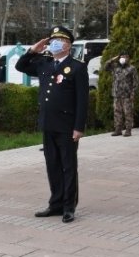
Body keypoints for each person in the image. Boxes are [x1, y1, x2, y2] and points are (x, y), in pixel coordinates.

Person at [15, 26, 88, 223]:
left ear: (68, 45)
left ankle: (68, 206)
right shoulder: (45, 64)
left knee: (68, 166)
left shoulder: (77, 67)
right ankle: (55, 204)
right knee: (52, 165)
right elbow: (20, 67)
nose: (55, 42)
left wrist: (79, 127)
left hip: (67, 126)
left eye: (60, 39)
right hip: (48, 124)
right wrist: (32, 51)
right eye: (52, 39)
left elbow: (82, 100)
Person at [103, 50, 139, 136]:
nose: (123, 58)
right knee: (117, 112)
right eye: (122, 57)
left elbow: (135, 82)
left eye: (125, 57)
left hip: (127, 95)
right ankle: (118, 130)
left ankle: (128, 130)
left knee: (128, 113)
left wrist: (133, 93)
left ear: (128, 58)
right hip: (116, 94)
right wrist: (114, 58)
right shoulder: (115, 67)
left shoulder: (131, 68)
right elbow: (105, 66)